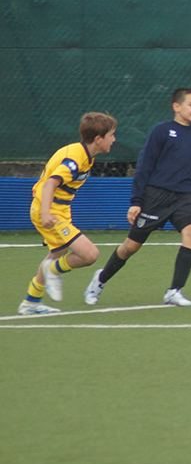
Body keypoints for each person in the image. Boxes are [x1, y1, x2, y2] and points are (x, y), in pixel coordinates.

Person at [84, 88, 191, 307]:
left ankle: (174, 291)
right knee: (130, 247)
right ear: (176, 107)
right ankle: (101, 279)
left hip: (184, 197)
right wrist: (136, 201)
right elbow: (144, 165)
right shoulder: (161, 131)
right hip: (156, 196)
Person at [18, 113, 118, 315]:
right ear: (98, 139)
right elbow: (50, 184)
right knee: (90, 255)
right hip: (49, 211)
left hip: (60, 211)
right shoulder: (75, 159)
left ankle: (30, 302)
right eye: (111, 135)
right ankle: (52, 270)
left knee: (57, 253)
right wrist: (46, 214)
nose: (114, 139)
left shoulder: (85, 155)